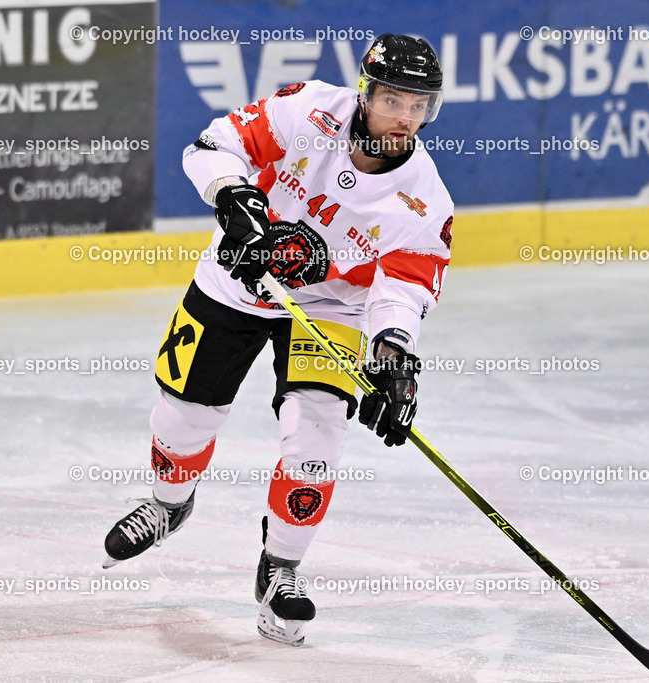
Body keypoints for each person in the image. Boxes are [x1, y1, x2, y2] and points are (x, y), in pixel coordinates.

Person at [103, 33, 453, 646]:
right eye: (395, 100)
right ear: (368, 93)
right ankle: (168, 504)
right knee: (183, 414)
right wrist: (233, 195)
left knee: (316, 442)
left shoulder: (424, 201)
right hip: (235, 282)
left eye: (419, 106)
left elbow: (404, 288)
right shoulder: (308, 111)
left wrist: (393, 355)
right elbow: (214, 145)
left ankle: (281, 569)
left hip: (331, 312)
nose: (406, 118)